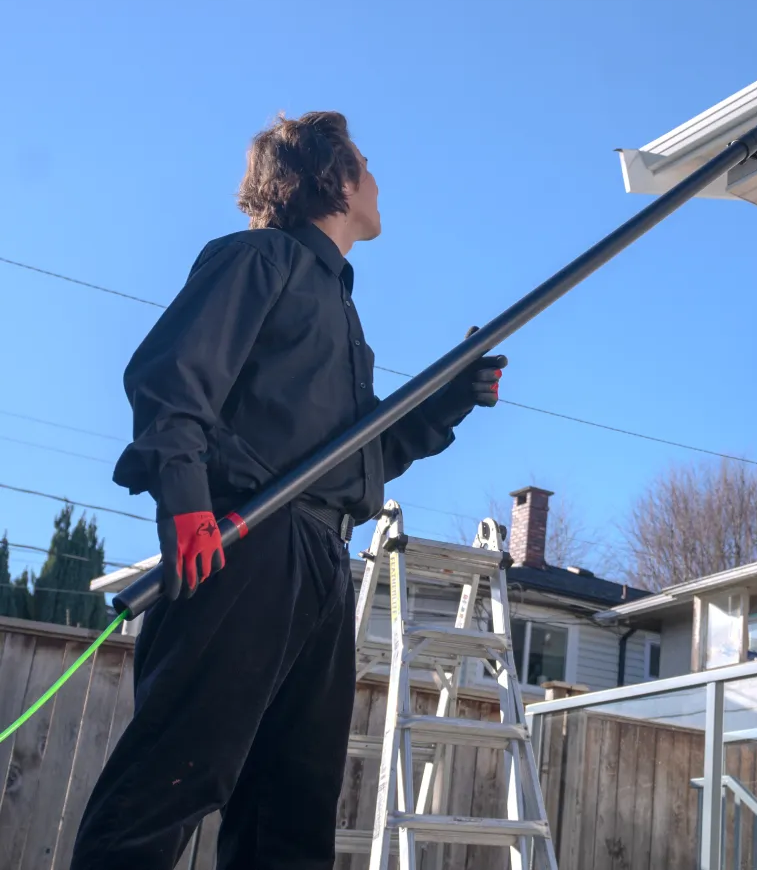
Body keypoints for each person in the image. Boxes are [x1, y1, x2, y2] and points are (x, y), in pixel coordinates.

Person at [71, 111, 507, 870]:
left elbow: (360, 458)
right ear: (335, 181)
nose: (376, 180)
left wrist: (448, 394)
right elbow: (171, 377)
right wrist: (184, 501)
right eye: (365, 165)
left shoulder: (343, 317)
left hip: (323, 560)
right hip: (244, 544)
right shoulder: (257, 261)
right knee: (169, 779)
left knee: (291, 808)